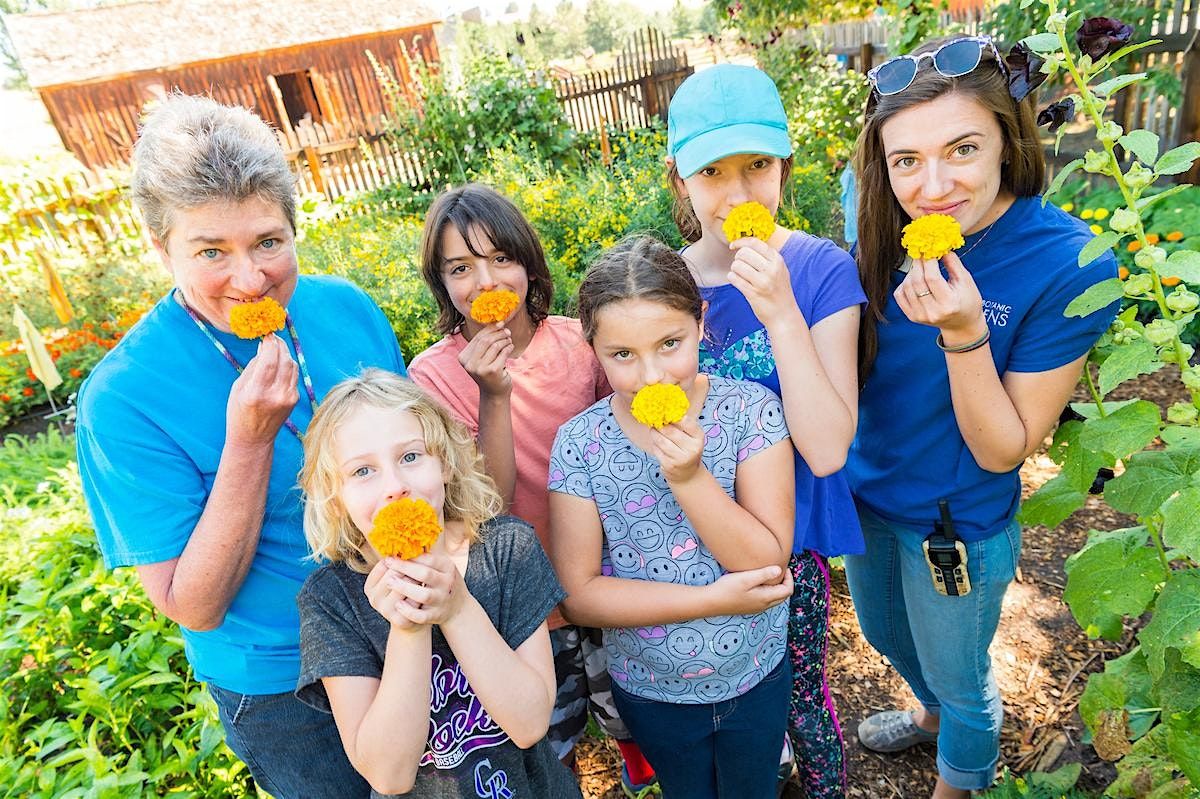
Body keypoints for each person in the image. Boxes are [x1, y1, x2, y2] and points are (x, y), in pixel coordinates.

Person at [74, 93, 406, 798]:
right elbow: (192, 605)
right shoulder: (122, 397)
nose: (251, 278)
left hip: (406, 629)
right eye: (210, 252)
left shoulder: (346, 308)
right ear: (159, 247)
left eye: (267, 241)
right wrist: (248, 443)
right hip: (287, 685)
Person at [845, 35, 1119, 799]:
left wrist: (965, 336)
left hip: (954, 522)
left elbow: (1006, 448)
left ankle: (959, 778)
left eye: (962, 147)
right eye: (906, 160)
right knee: (885, 635)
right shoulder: (873, 218)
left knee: (963, 676)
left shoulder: (1071, 263)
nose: (931, 186)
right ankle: (931, 717)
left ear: (1007, 135)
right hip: (867, 494)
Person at [406, 183, 660, 796]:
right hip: (523, 604)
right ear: (442, 284)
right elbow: (485, 504)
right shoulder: (433, 375)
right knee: (551, 736)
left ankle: (642, 767)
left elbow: (624, 448)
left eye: (501, 258)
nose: (486, 280)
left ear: (528, 262)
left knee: (635, 712)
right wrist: (494, 394)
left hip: (608, 574)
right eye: (461, 268)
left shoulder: (578, 342)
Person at [665, 63, 864, 798]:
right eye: (713, 172)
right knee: (722, 707)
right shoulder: (666, 285)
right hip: (684, 546)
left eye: (758, 166)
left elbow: (827, 447)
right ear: (680, 181)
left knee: (799, 696)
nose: (739, 193)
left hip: (792, 545)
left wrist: (781, 310)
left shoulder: (821, 271)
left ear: (785, 166)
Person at [548, 235, 797, 799]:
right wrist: (713, 600)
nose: (653, 375)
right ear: (593, 348)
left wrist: (689, 478)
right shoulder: (581, 445)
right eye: (622, 355)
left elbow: (764, 558)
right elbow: (580, 595)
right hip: (651, 688)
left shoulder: (749, 411)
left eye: (669, 343)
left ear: (701, 323)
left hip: (756, 673)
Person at [294, 370, 580, 797]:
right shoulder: (331, 601)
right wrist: (407, 627)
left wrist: (458, 609)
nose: (395, 487)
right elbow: (389, 775)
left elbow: (531, 724)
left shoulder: (506, 550)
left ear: (444, 462)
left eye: (410, 457)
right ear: (335, 500)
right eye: (363, 471)